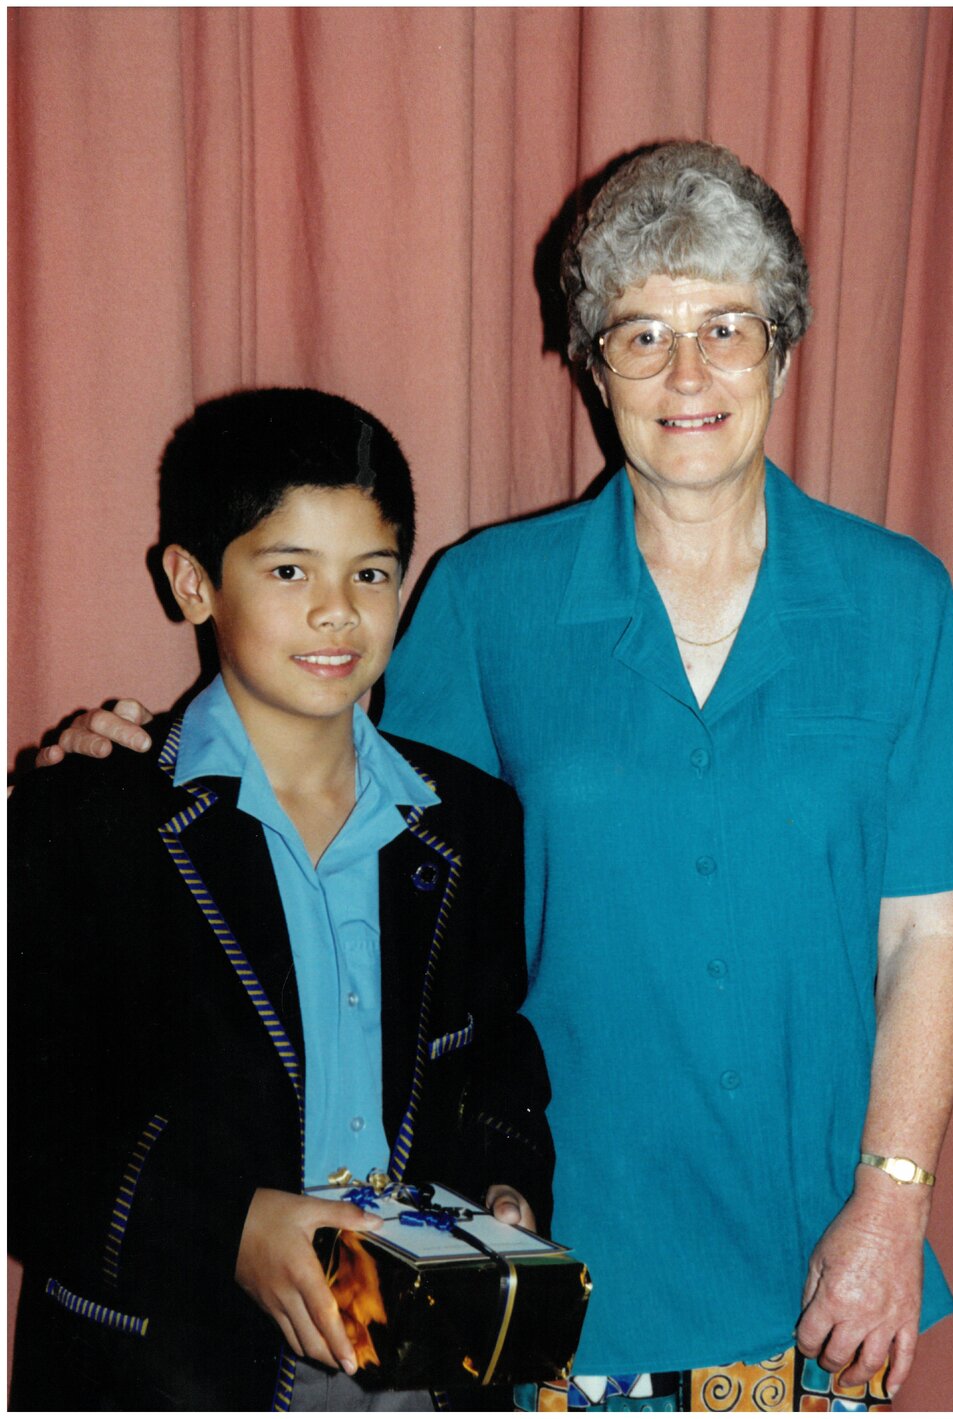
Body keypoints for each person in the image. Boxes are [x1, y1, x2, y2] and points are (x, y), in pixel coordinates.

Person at [37, 141, 953, 1411]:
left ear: (784, 343)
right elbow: (356, 817)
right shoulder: (488, 601)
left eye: (726, 326)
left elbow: (929, 936)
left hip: (812, 1262)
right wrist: (137, 753)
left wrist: (888, 1201)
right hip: (533, 1272)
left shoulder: (897, 602)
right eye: (640, 335)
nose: (687, 372)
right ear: (592, 365)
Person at [9, 387, 554, 1412]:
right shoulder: (82, 823)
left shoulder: (469, 820)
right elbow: (26, 1135)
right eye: (289, 569)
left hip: (412, 1367)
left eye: (372, 573)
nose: (336, 611)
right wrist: (228, 1229)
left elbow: (494, 1057)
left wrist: (504, 1189)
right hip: (170, 1362)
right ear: (191, 581)